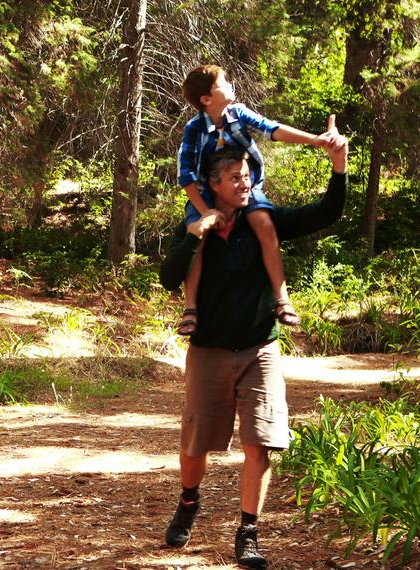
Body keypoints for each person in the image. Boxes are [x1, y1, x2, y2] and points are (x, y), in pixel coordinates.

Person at [158, 116, 349, 569]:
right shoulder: (197, 226)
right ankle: (189, 501)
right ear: (214, 185)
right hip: (207, 350)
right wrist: (192, 237)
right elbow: (168, 278)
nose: (244, 183)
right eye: (234, 178)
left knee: (260, 442)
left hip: (259, 347)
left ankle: (248, 532)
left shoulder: (265, 221)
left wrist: (338, 167)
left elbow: (326, 213)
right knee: (195, 444)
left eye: (247, 175)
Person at [176, 64, 337, 336]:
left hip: (244, 188)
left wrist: (316, 140)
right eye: (223, 83)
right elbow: (187, 177)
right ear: (206, 99)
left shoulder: (238, 114)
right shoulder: (194, 129)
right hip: (206, 193)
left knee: (264, 224)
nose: (230, 85)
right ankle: (190, 307)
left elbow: (272, 129)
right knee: (199, 239)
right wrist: (206, 213)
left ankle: (282, 298)